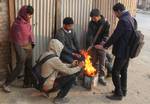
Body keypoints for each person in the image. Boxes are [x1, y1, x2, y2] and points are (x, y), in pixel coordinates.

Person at [102, 3, 135, 100]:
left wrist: (105, 46)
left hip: (122, 51)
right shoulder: (130, 18)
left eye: (115, 13)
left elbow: (115, 36)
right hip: (128, 50)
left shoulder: (123, 21)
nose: (115, 15)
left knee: (115, 72)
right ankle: (123, 90)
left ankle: (118, 94)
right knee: (123, 71)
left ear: (119, 11)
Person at [39, 39, 84, 104]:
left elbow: (61, 66)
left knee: (63, 73)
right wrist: (79, 67)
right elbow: (68, 71)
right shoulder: (54, 59)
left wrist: (72, 64)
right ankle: (59, 98)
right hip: (46, 86)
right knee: (72, 77)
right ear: (56, 47)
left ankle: (45, 91)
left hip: (41, 83)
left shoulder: (45, 54)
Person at [3, 5, 35, 92]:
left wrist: (32, 42)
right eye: (28, 14)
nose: (30, 16)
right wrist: (19, 48)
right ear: (24, 13)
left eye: (31, 14)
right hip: (19, 45)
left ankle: (26, 83)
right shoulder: (16, 24)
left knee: (29, 65)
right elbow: (15, 38)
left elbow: (30, 33)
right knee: (20, 65)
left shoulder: (27, 21)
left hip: (28, 45)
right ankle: (6, 84)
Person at [86, 9, 110, 86]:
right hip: (93, 45)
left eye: (94, 18)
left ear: (98, 16)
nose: (93, 20)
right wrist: (90, 44)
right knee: (93, 61)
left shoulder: (105, 23)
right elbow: (89, 34)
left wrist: (101, 44)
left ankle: (101, 77)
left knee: (102, 62)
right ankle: (94, 75)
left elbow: (106, 36)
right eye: (92, 18)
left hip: (101, 46)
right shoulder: (91, 23)